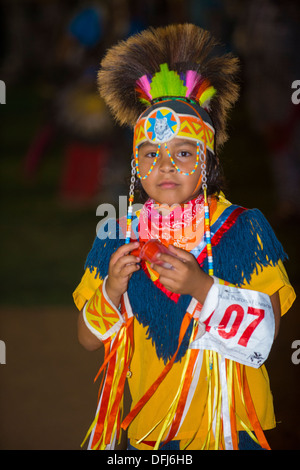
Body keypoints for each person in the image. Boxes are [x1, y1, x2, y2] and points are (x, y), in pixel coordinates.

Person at [73, 24, 295, 450]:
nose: (167, 165)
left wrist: (202, 288)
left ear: (207, 160)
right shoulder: (118, 235)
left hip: (231, 427)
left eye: (183, 152)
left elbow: (267, 334)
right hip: (152, 432)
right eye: (152, 154)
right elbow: (86, 338)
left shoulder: (243, 230)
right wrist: (112, 290)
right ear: (136, 164)